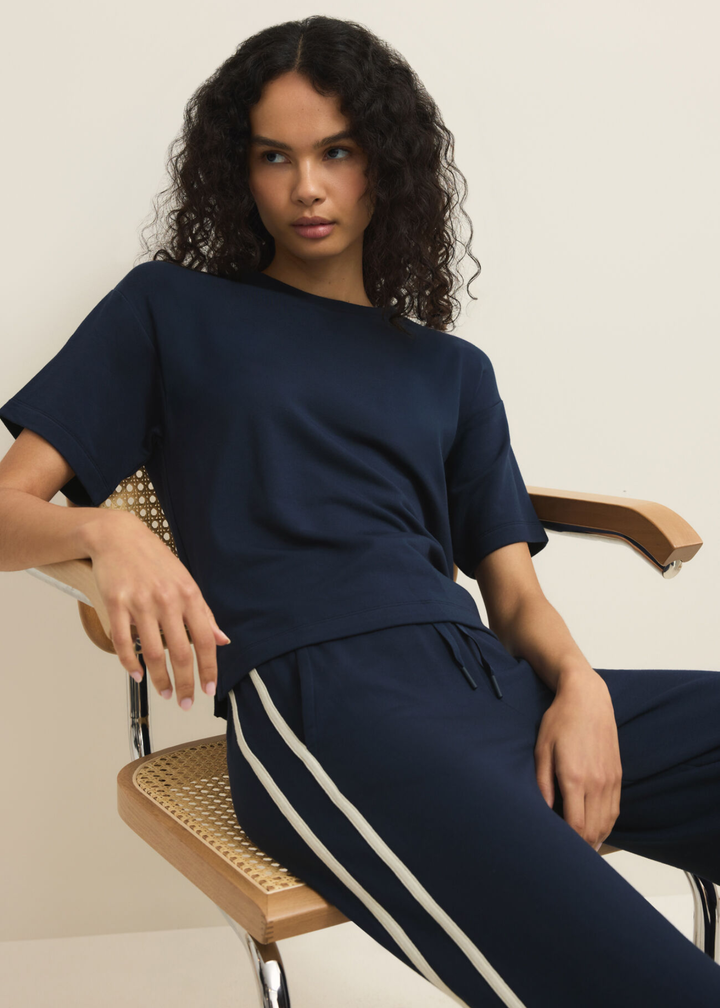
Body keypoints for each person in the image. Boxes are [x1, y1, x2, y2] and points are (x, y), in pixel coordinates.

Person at [1, 15, 719, 1008]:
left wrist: (581, 688)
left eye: (337, 152)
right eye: (275, 156)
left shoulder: (453, 370)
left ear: (387, 162)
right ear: (239, 172)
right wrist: (104, 528)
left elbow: (513, 596)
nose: (308, 186)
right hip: (329, 700)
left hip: (490, 681)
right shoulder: (170, 310)